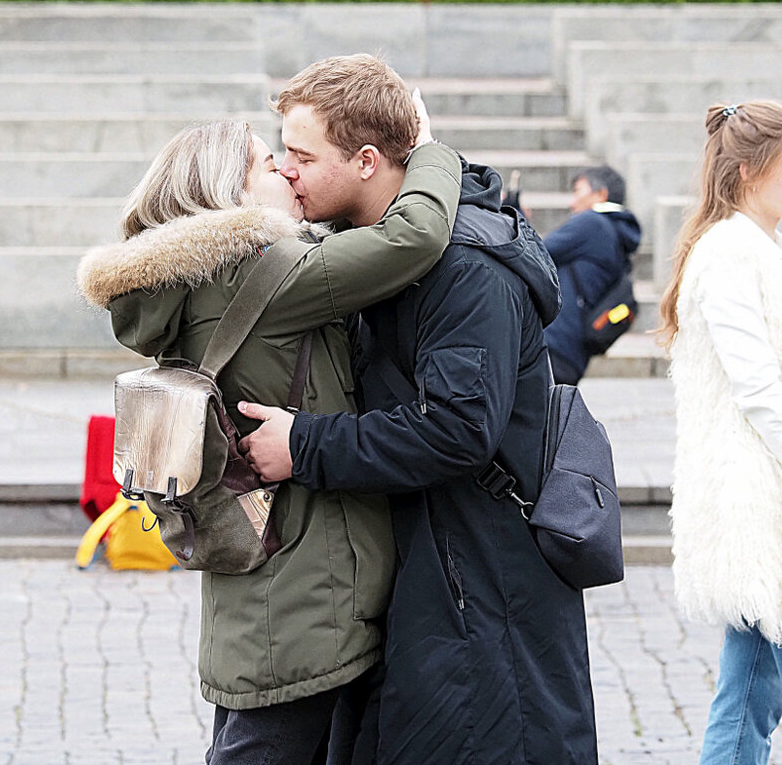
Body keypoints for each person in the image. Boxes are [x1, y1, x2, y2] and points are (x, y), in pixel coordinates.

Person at [238, 54, 598, 765]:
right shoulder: (370, 252)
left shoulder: (467, 266)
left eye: (303, 155)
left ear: (368, 161)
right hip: (433, 573)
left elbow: (458, 429)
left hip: (480, 585)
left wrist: (304, 445)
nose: (286, 170)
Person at [75, 112, 462, 764]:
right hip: (300, 588)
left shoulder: (191, 280)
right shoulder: (266, 269)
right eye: (263, 163)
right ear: (233, 193)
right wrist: (429, 150)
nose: (284, 168)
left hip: (251, 569)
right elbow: (415, 237)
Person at [659, 101, 782, 765]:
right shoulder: (728, 254)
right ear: (749, 170)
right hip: (762, 498)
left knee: (750, 689)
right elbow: (758, 387)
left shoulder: (767, 251)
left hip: (781, 492)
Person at [541, 165, 642, 385]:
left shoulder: (592, 224)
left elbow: (534, 253)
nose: (572, 202)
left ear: (600, 195)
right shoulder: (617, 232)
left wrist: (513, 214)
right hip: (572, 353)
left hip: (552, 346)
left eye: (578, 191)